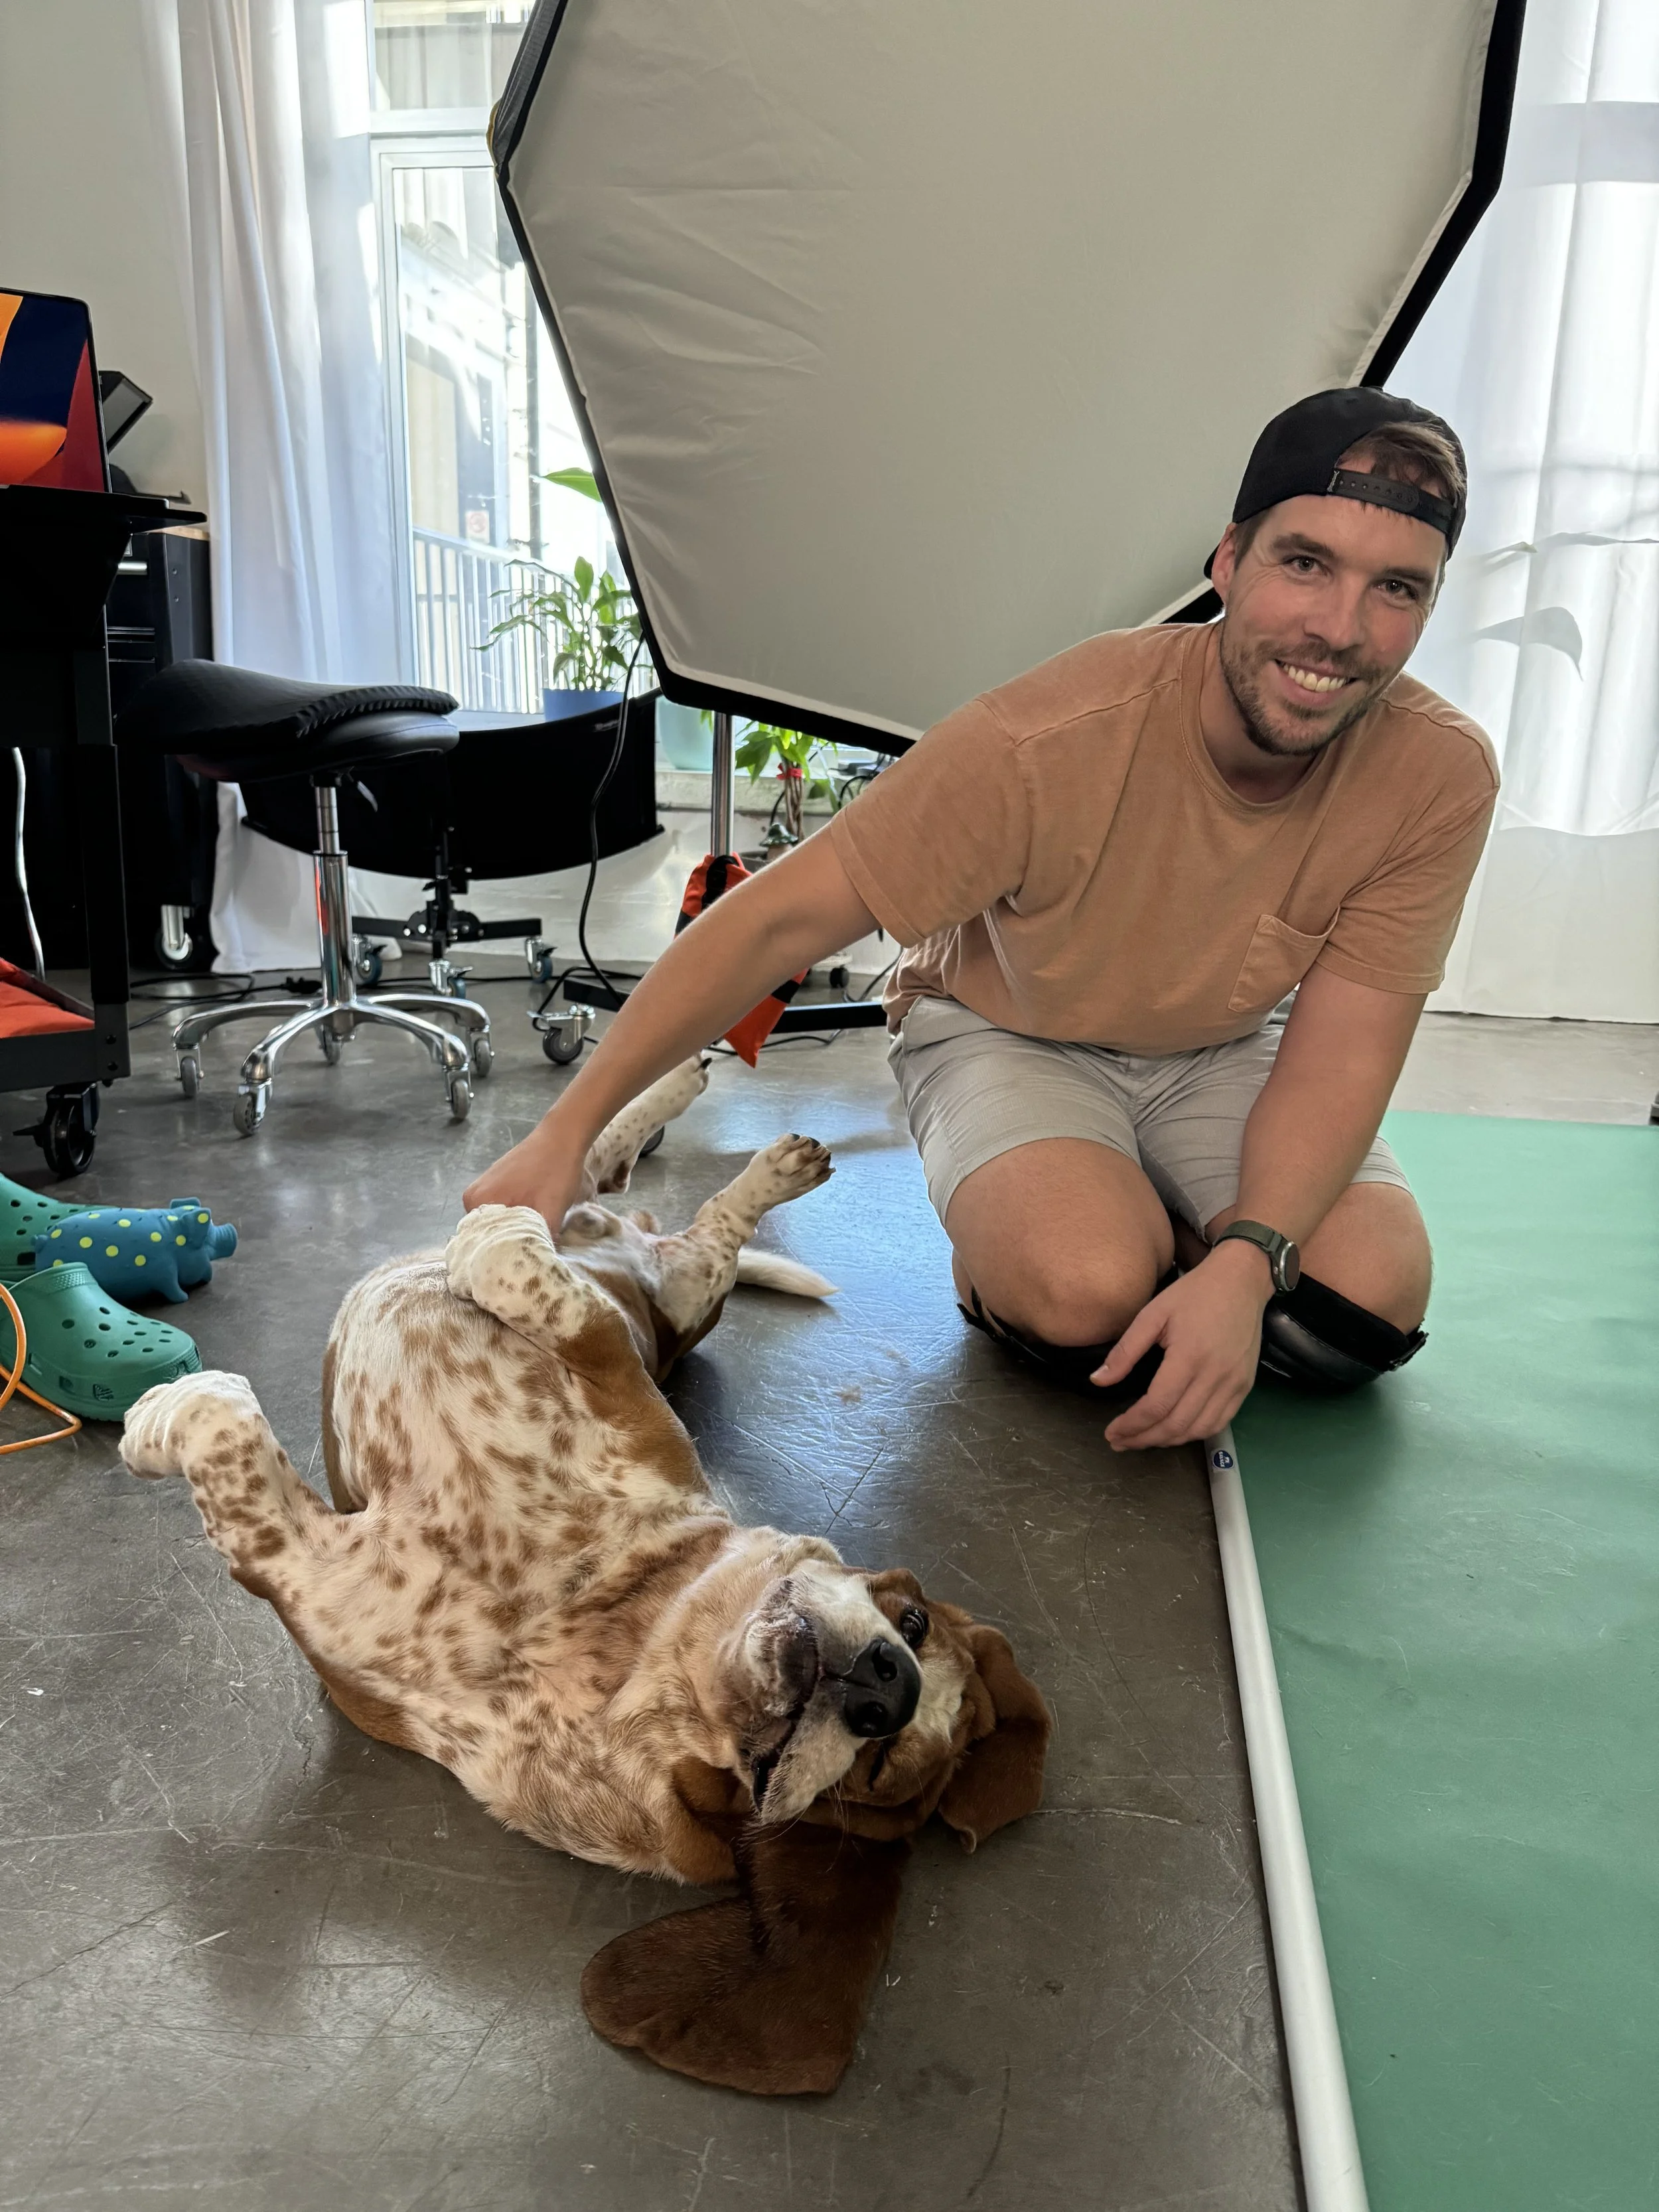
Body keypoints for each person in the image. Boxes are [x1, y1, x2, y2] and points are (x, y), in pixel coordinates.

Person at [464, 388, 1496, 1453]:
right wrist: (565, 1137)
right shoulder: (1049, 735)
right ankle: (1031, 1237)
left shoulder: (1437, 774)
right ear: (1229, 561)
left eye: (1397, 589)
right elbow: (774, 922)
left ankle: (1162, 1226)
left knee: (1363, 1308)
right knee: (1089, 1295)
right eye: (1306, 563)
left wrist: (1248, 1261)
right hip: (1010, 1027)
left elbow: (1342, 1052)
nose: (1339, 629)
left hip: (1220, 1047)